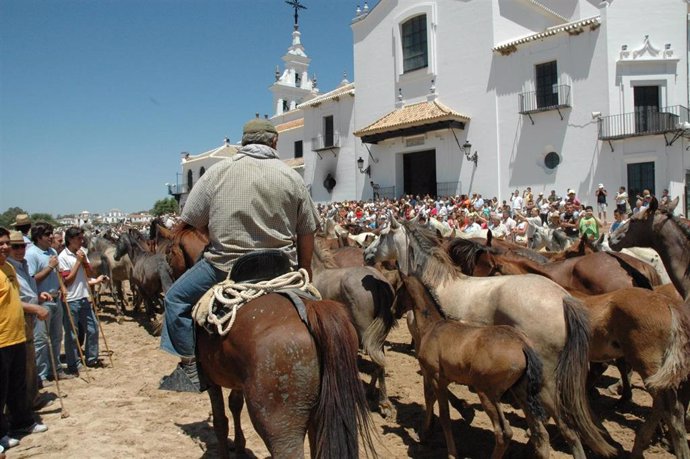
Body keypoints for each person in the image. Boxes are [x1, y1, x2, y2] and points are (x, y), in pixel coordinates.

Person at [159, 117, 320, 393]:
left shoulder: (218, 172)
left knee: (175, 299)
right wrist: (305, 270)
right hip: (281, 269)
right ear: (274, 141)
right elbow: (307, 231)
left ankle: (191, 367)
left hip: (226, 266)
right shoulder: (292, 177)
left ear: (243, 142)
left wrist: (221, 232)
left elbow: (192, 219)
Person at [0, 227, 48, 453]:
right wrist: (35, 307)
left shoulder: (9, 267)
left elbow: (16, 298)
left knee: (18, 384)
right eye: (2, 243)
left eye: (7, 243)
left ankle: (22, 422)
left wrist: (38, 297)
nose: (6, 247)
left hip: (17, 332)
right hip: (2, 337)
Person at [26, 223, 73, 385]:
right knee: (40, 340)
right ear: (39, 237)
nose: (51, 237)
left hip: (56, 298)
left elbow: (58, 273)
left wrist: (62, 287)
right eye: (48, 234)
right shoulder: (31, 254)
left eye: (51, 233)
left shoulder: (52, 251)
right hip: (42, 301)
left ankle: (56, 370)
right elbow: (32, 280)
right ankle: (41, 375)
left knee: (56, 337)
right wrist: (49, 267)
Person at [58, 227, 106, 375]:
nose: (82, 241)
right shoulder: (63, 257)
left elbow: (89, 273)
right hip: (71, 299)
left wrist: (84, 261)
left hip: (84, 296)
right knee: (72, 334)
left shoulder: (82, 252)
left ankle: (92, 358)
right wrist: (78, 262)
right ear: (71, 240)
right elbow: (67, 280)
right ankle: (74, 364)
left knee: (93, 328)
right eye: (79, 238)